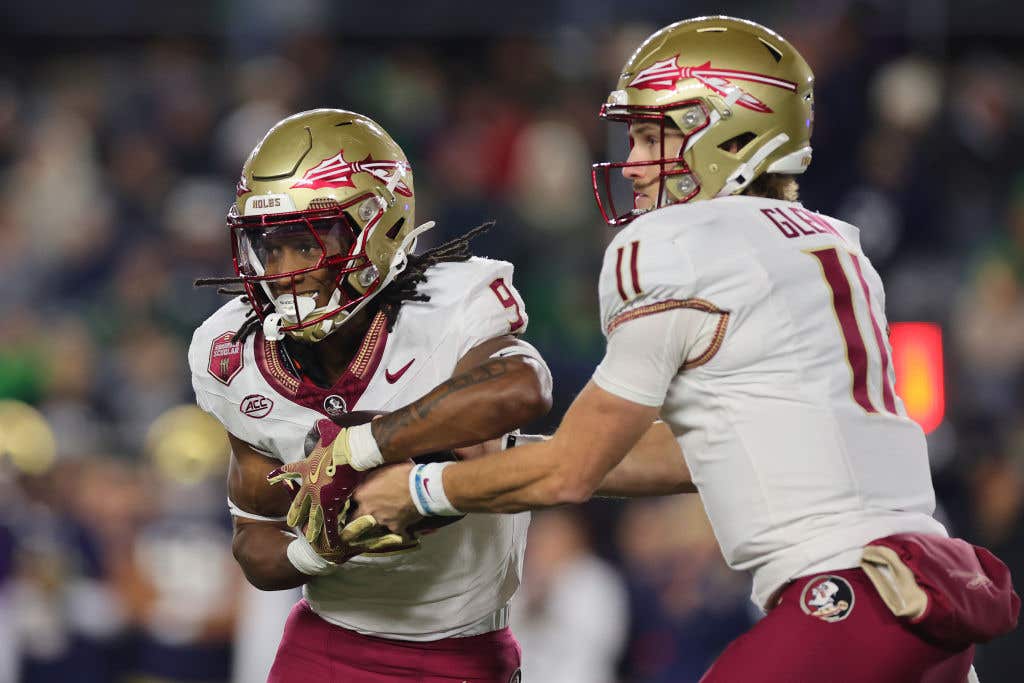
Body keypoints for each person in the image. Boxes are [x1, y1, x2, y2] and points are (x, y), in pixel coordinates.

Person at [340, 17, 1019, 682]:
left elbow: (571, 471)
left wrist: (423, 490)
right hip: (926, 598)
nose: (633, 163)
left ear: (728, 130)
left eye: (649, 137)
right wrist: (511, 459)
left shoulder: (674, 244)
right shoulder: (832, 241)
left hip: (843, 601)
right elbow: (700, 448)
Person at [187, 108, 554, 682]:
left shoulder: (450, 306)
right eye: (270, 246)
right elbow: (254, 541)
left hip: (466, 654)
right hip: (326, 647)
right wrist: (316, 549)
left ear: (376, 227)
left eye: (308, 246)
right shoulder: (233, 352)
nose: (284, 272)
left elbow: (522, 391)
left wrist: (364, 448)